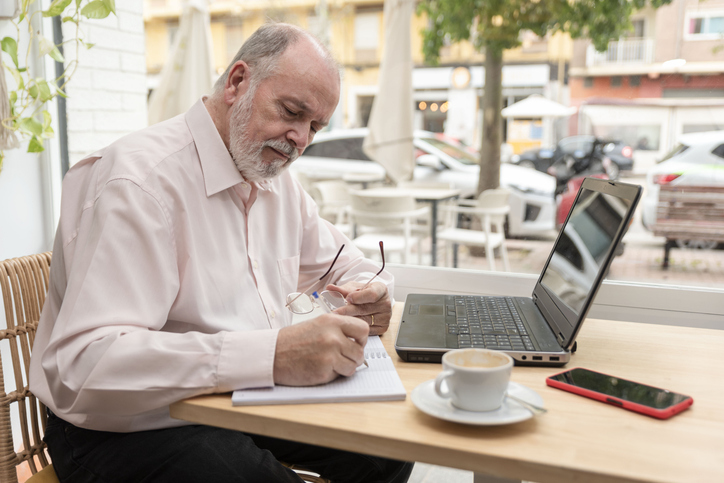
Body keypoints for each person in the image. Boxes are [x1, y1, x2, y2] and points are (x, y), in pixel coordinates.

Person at [29, 23, 413, 483]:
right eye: (292, 112)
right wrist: (273, 356)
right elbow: (85, 365)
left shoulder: (273, 180)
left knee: (387, 447)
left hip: (235, 398)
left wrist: (370, 290)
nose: (301, 140)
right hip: (123, 422)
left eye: (315, 126)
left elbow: (342, 262)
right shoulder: (139, 183)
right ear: (237, 83)